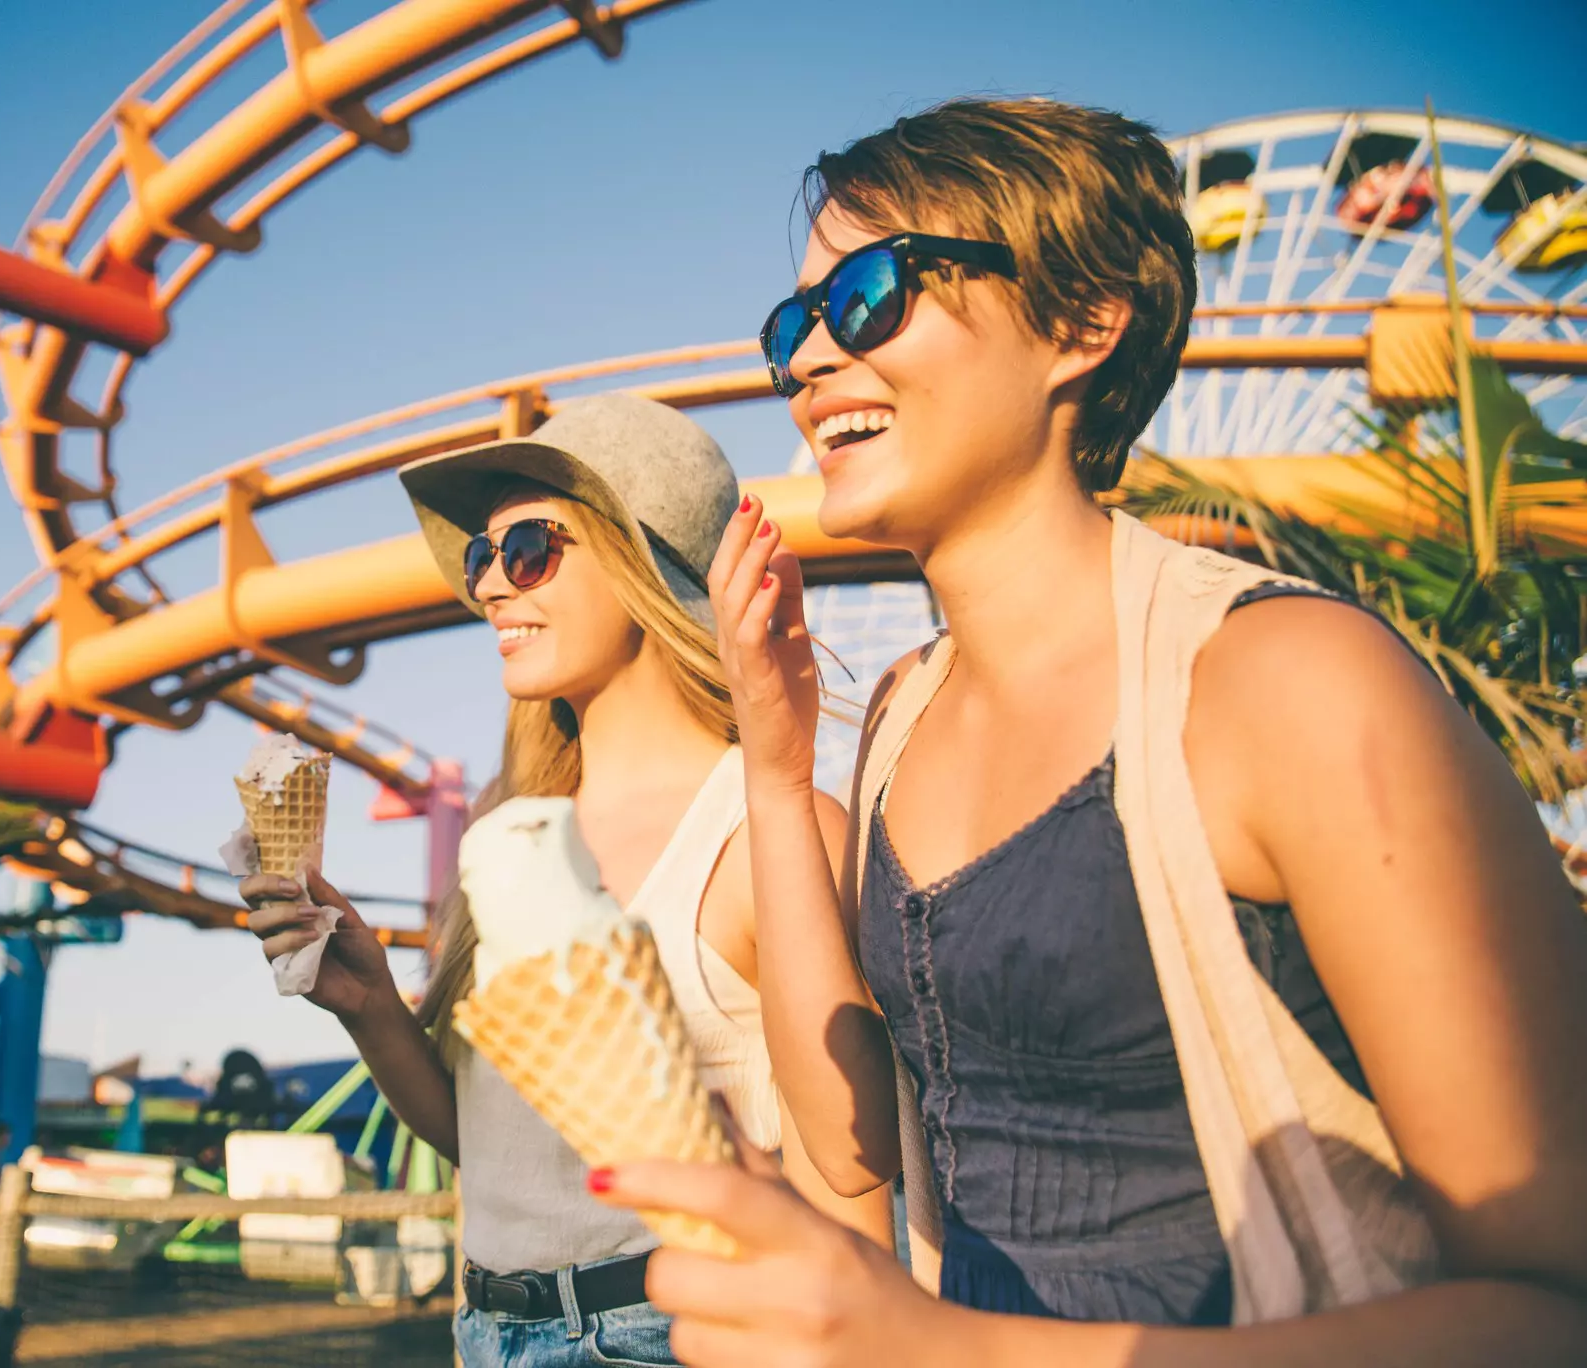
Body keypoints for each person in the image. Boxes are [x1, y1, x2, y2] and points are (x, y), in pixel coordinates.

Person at [591, 98, 1587, 1363]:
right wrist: (777, 773)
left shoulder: (1284, 680)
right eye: (795, 325)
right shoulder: (899, 714)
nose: (807, 361)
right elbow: (847, 1151)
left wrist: (950, 1353)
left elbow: (1553, 1305)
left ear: (1080, 323)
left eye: (868, 296)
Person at [242, 393, 892, 1368]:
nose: (488, 586)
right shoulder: (510, 832)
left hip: (677, 1333)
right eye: (481, 558)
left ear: (643, 568)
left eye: (528, 550)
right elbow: (504, 1154)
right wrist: (370, 1007)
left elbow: (853, 1177)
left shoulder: (765, 824)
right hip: (485, 1330)